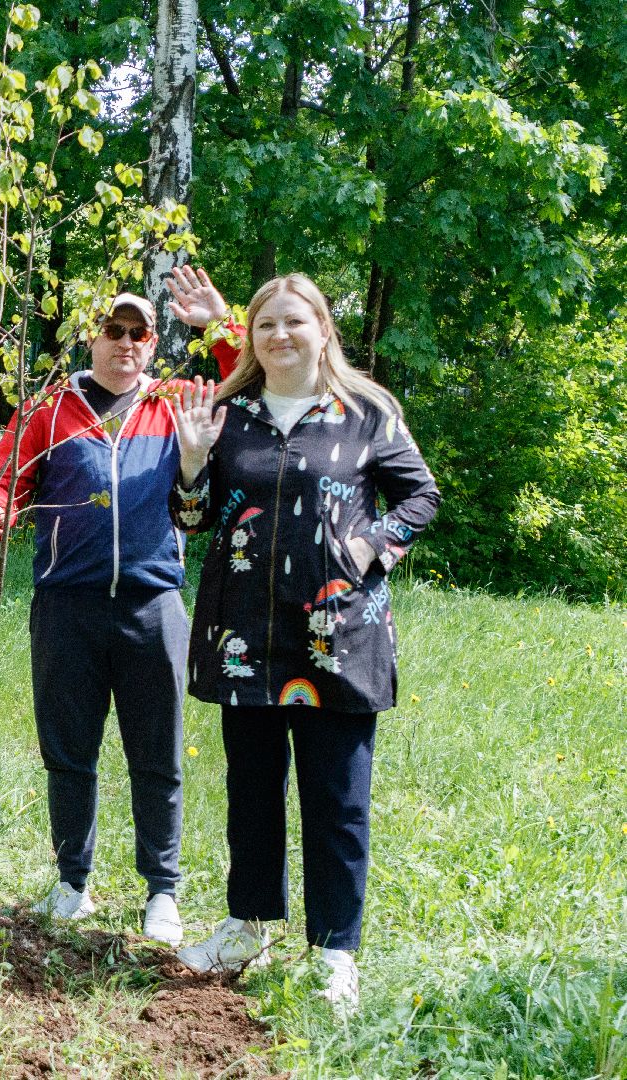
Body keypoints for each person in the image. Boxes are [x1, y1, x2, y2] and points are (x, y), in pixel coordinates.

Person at [164, 267, 440, 1013]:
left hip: (337, 638)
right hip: (243, 637)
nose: (280, 335)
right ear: (249, 339)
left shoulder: (367, 411)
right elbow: (191, 521)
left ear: (323, 328)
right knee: (251, 793)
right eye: (265, 325)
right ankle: (247, 925)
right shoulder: (228, 412)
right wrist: (191, 463)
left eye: (295, 321)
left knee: (337, 800)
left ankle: (335, 953)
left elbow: (421, 495)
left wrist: (368, 549)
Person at [0, 291, 235, 946]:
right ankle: (72, 882)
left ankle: (163, 893)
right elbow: (7, 478)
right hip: (67, 605)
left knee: (158, 754)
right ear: (91, 339)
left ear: (153, 344)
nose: (125, 343)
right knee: (69, 753)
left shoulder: (176, 401)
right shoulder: (52, 407)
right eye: (113, 331)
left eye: (138, 334)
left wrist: (221, 323)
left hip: (154, 604)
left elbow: (251, 373)